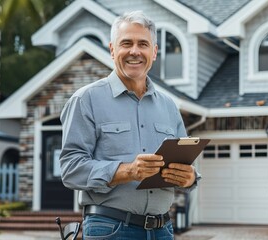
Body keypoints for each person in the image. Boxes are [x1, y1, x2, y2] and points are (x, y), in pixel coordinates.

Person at [59, 10, 200, 240]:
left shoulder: (169, 106)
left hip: (163, 230)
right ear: (112, 49)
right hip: (111, 229)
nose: (135, 51)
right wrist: (127, 171)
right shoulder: (86, 100)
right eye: (126, 43)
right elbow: (71, 169)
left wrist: (190, 178)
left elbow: (185, 165)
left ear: (154, 52)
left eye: (143, 44)